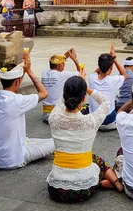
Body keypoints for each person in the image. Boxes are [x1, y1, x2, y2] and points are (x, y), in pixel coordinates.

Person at [47, 73, 124, 203]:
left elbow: (62, 100)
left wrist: (77, 87)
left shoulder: (53, 117)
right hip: (83, 191)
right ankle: (115, 182)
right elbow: (106, 101)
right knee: (95, 159)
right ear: (84, 98)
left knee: (88, 157)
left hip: (56, 190)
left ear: (64, 94)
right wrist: (86, 88)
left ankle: (111, 182)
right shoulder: (91, 121)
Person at [0, 51, 54, 169]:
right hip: (12, 159)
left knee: (28, 140)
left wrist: (22, 69)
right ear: (17, 81)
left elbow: (14, 81)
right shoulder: (18, 101)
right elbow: (44, 93)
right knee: (57, 141)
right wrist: (29, 71)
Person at [88, 45, 128, 131]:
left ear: (99, 65)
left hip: (94, 118)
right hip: (108, 119)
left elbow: (97, 71)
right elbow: (125, 75)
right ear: (111, 68)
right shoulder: (112, 80)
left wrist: (106, 63)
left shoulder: (91, 78)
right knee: (119, 106)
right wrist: (114, 59)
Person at [41, 48, 82, 122]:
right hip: (58, 115)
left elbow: (57, 60)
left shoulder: (44, 73)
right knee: (75, 84)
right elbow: (82, 73)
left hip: (46, 115)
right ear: (60, 66)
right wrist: (74, 58)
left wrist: (67, 55)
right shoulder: (63, 75)